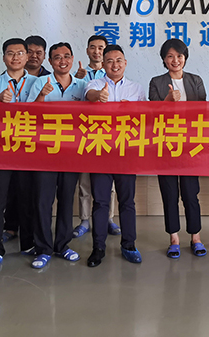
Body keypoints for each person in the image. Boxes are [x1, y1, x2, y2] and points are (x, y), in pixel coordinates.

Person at [84, 44, 146, 266]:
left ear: (125, 63)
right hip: (100, 152)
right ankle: (98, 248)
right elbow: (89, 96)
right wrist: (98, 97)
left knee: (127, 202)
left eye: (119, 60)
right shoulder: (94, 84)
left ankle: (129, 245)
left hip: (126, 153)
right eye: (109, 61)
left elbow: (146, 118)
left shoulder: (136, 89)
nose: (115, 65)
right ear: (103, 64)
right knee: (100, 202)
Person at [0, 38, 38, 271]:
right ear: (4, 57)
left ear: (27, 57)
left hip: (27, 151)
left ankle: (28, 244)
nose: (15, 57)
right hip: (0, 151)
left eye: (20, 53)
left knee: (27, 199)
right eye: (10, 53)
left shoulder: (37, 82)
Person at [25, 42, 84, 269]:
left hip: (70, 153)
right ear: (50, 62)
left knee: (67, 200)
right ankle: (43, 248)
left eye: (67, 56)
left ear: (72, 59)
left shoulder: (81, 85)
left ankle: (62, 245)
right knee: (43, 201)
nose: (63, 61)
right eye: (57, 57)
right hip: (44, 152)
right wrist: (41, 96)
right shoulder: (40, 82)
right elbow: (29, 113)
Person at [148, 39, 207, 259]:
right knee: (169, 194)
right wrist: (167, 101)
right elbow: (152, 113)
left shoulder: (195, 80)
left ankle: (196, 237)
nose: (175, 60)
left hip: (190, 146)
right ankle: (174, 238)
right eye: (170, 56)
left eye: (179, 56)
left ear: (185, 58)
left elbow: (203, 111)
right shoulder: (156, 82)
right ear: (164, 59)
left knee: (191, 194)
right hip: (165, 146)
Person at [71, 35, 120, 239]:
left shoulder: (113, 73)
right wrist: (79, 79)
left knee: (109, 181)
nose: (97, 51)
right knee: (84, 179)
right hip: (85, 133)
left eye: (101, 48)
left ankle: (109, 218)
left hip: (109, 135)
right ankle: (84, 220)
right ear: (87, 50)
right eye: (93, 47)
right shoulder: (78, 76)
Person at [4, 34, 51, 242]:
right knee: (13, 186)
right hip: (10, 141)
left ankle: (31, 231)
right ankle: (11, 226)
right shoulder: (4, 78)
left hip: (39, 142)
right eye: (29, 51)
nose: (33, 56)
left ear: (44, 56)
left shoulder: (49, 78)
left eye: (38, 52)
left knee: (33, 188)